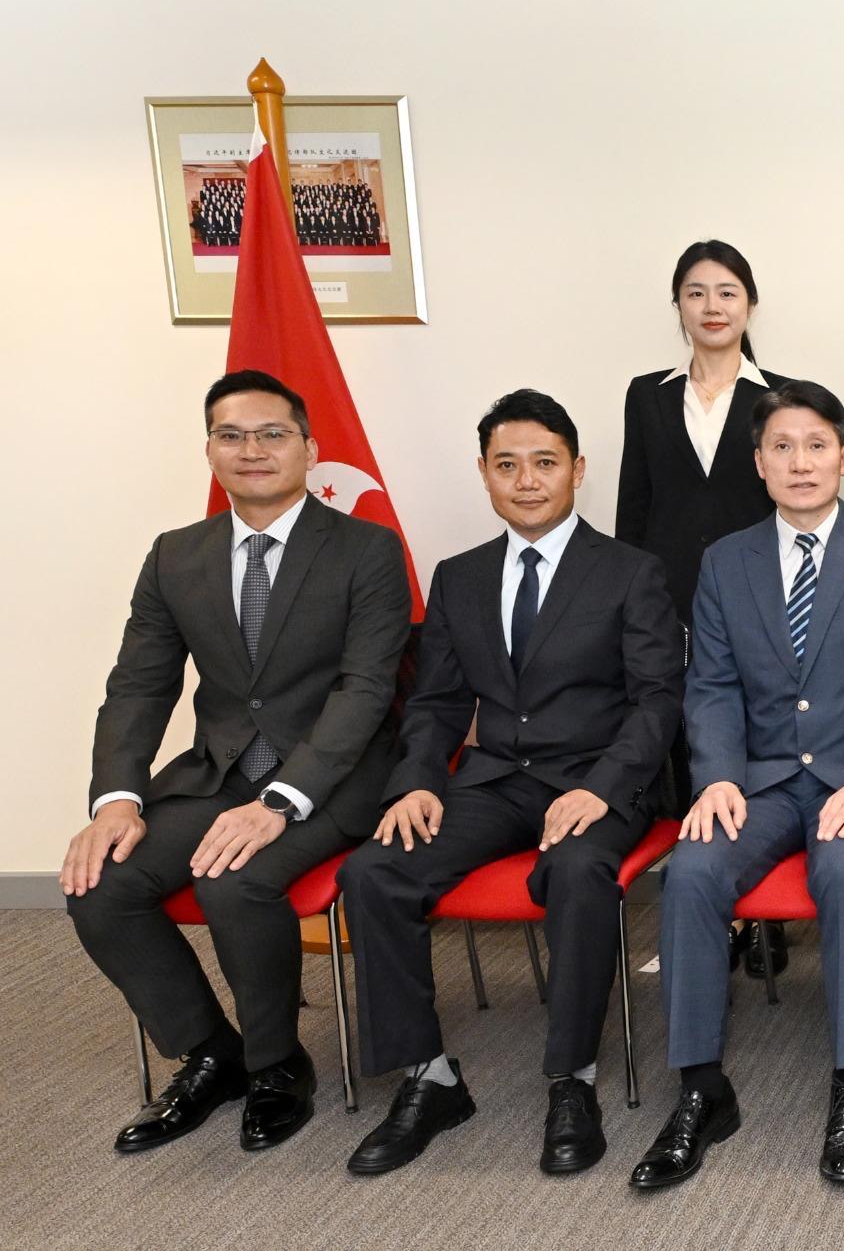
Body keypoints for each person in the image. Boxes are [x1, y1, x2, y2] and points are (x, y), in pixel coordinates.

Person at [335, 390, 683, 1177]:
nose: (527, 480)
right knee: (375, 870)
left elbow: (658, 699)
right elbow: (436, 703)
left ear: (578, 471)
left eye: (545, 463)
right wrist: (418, 782)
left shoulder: (630, 572)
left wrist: (603, 787)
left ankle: (573, 1079)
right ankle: (428, 1077)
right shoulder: (459, 577)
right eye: (508, 465)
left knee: (577, 868)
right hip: (494, 779)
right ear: (485, 476)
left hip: (598, 782)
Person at [62, 370, 409, 1155]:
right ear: (211, 450)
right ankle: (211, 1053)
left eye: (271, 434)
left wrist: (282, 799)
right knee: (100, 884)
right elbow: (139, 687)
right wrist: (116, 797)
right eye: (232, 435)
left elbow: (364, 692)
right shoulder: (176, 556)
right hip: (217, 775)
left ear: (309, 449)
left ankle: (278, 1065)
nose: (251, 450)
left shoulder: (366, 550)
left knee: (236, 879)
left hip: (337, 778)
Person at [630, 381, 844, 1191]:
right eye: (782, 447)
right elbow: (712, 685)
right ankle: (701, 1086)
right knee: (693, 870)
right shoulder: (725, 560)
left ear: (843, 455)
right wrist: (717, 779)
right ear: (759, 463)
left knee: (843, 868)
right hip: (761, 779)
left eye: (817, 445)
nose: (800, 462)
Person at [615, 240, 797, 976]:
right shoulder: (646, 394)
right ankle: (705, 920)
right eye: (696, 293)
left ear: (750, 304)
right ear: (678, 307)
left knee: (762, 745)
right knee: (693, 749)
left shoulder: (781, 395)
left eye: (727, 292)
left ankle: (768, 921)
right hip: (669, 597)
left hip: (757, 599)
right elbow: (636, 505)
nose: (713, 306)